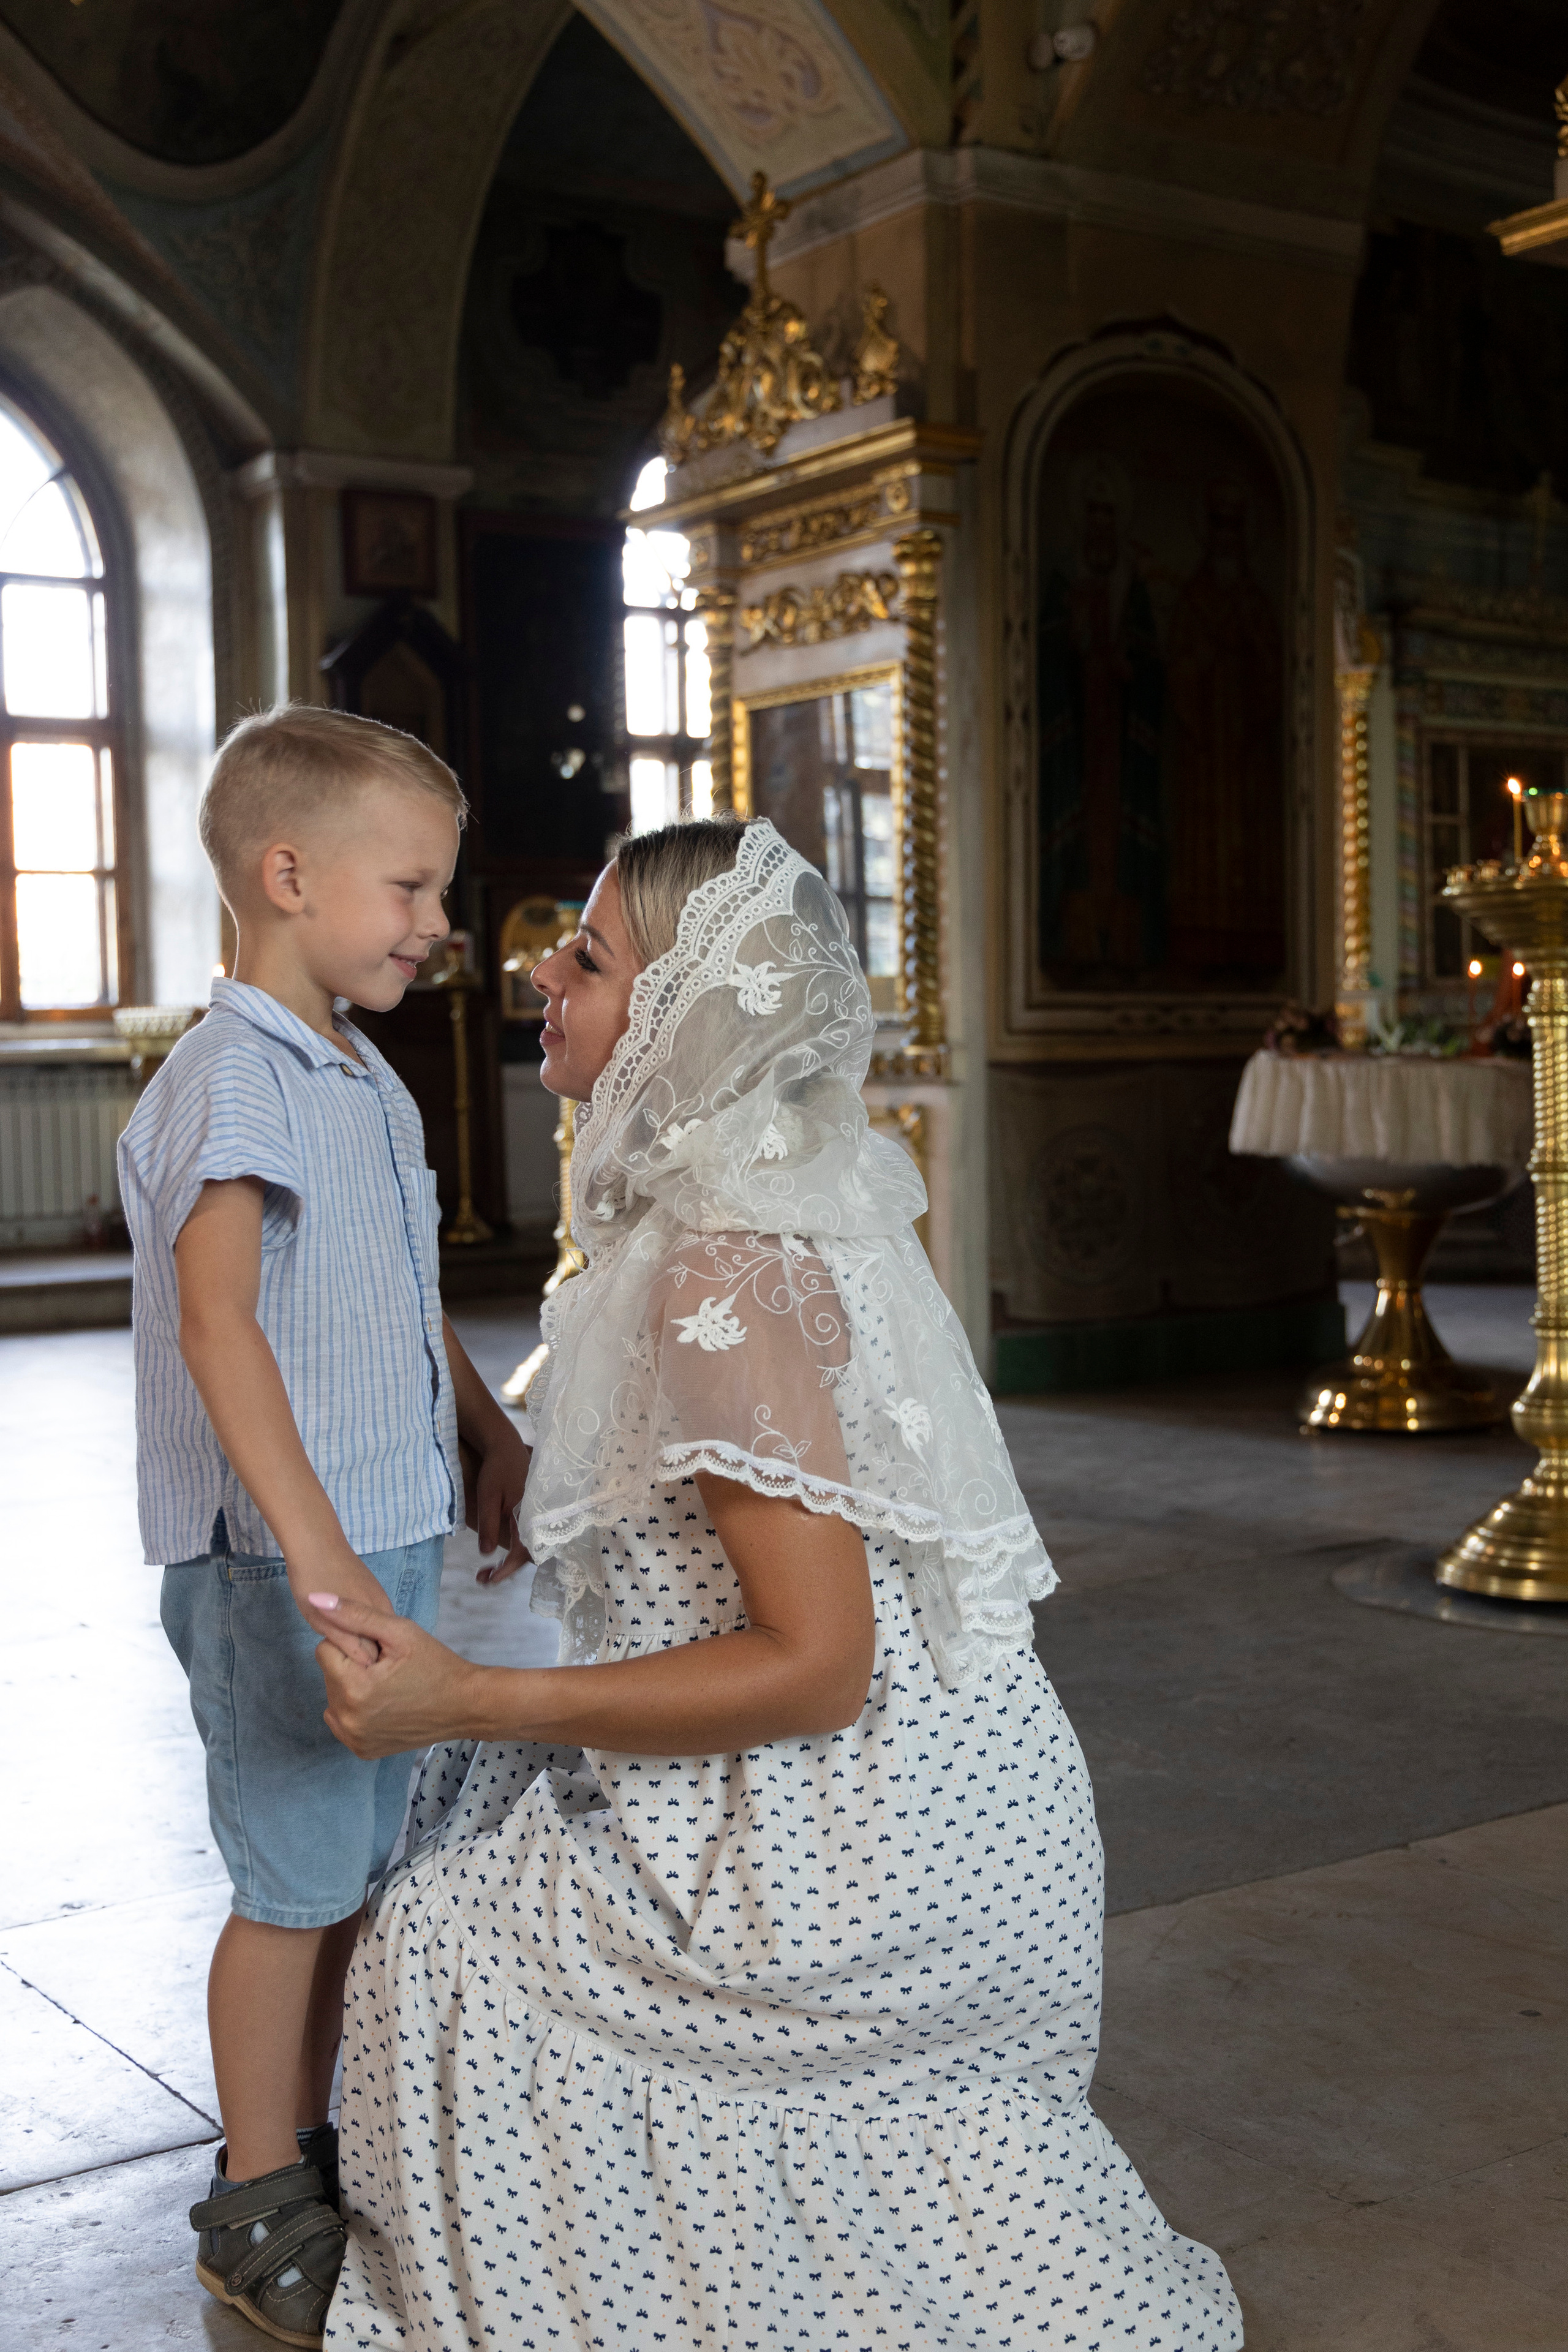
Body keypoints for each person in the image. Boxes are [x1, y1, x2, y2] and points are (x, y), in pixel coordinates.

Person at [306, 816, 1243, 2351]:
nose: (542, 967)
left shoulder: (720, 1268)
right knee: (473, 1796)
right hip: (943, 1792)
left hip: (852, 1825)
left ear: (691, 1015)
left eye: (590, 957)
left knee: (434, 1923)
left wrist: (463, 1687)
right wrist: (501, 1458)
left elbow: (814, 1665)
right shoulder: (747, 1214)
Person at [117, 704, 531, 2348]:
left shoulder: (354, 1073)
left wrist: (485, 1429)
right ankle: (254, 2196)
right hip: (281, 1559)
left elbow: (390, 1295)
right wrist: (314, 1551)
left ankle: (318, 2141)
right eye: (415, 891)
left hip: (378, 1528)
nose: (440, 928)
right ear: (291, 876)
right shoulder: (234, 1078)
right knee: (292, 1881)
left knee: (350, 1870)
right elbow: (218, 1321)